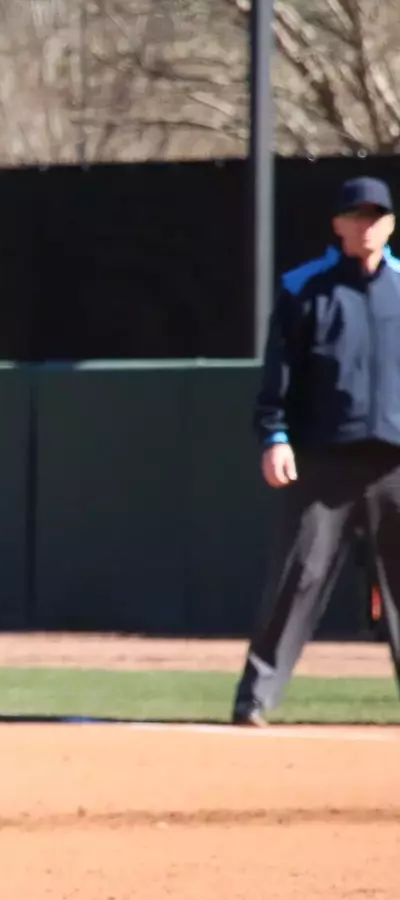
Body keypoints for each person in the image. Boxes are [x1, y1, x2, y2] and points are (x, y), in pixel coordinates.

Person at [234, 175, 400, 727]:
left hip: (394, 462)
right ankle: (256, 697)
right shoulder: (305, 288)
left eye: (377, 215)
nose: (368, 224)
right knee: (299, 575)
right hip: (324, 460)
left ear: (391, 224)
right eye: (358, 215)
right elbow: (278, 378)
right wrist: (275, 436)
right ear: (339, 224)